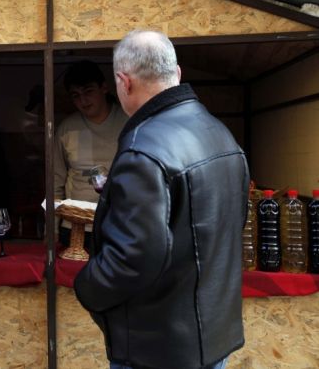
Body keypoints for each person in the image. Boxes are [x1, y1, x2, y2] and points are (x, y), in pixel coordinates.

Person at [74, 30, 249, 369]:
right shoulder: (219, 132)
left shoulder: (143, 149)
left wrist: (86, 284)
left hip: (160, 346)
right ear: (176, 73)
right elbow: (230, 224)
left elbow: (133, 258)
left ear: (124, 82)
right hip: (213, 337)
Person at [54, 60, 128, 251]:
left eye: (88, 92)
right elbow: (55, 182)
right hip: (75, 226)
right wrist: (52, 228)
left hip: (120, 223)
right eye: (76, 96)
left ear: (104, 88)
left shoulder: (129, 121)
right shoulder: (67, 128)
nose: (83, 101)